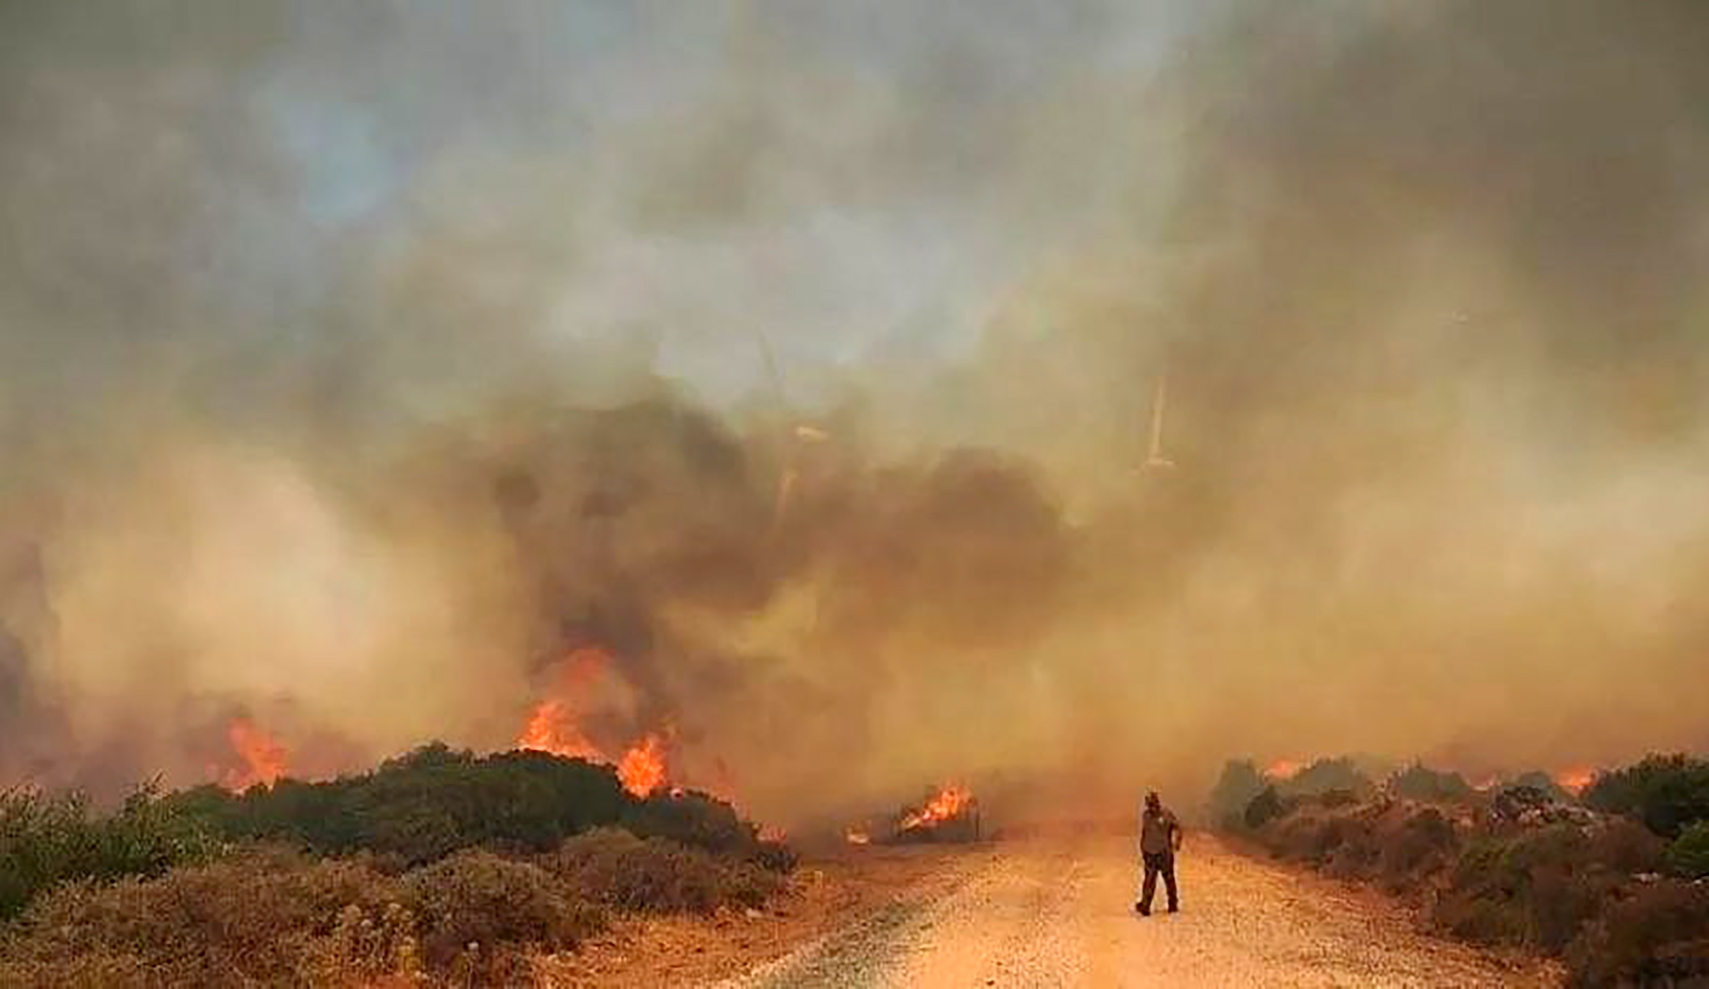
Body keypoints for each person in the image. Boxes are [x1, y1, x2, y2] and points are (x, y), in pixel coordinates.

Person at [1136, 790, 1182, 916]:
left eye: (1152, 804)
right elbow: (1145, 833)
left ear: (1157, 803)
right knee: (1149, 880)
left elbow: (1178, 827)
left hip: (1164, 852)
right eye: (1149, 804)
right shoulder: (1146, 816)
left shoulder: (1166, 814)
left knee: (1168, 879)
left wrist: (1177, 842)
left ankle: (1173, 904)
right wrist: (1143, 849)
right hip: (1150, 852)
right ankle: (1145, 905)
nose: (1151, 807)